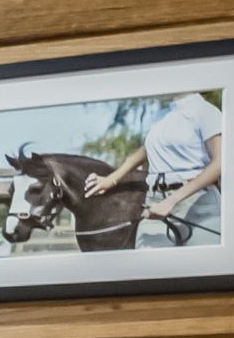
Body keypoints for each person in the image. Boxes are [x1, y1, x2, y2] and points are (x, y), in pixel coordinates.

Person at [87, 91, 223, 244]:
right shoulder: (160, 115)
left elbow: (219, 163)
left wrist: (171, 201)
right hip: (155, 201)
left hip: (199, 205)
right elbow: (146, 150)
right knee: (147, 264)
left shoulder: (207, 111)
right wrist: (111, 179)